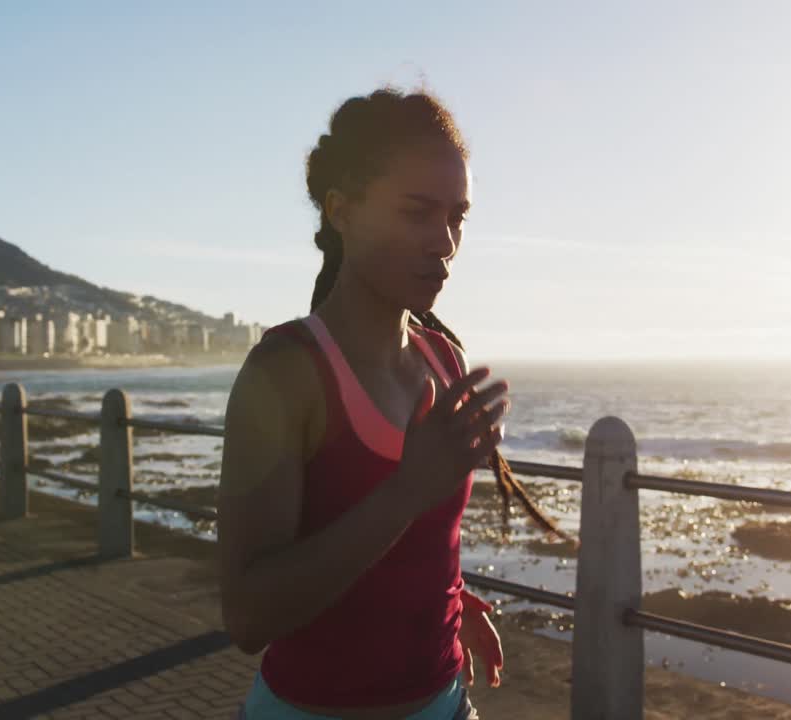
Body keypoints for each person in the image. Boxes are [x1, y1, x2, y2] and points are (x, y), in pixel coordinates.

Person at [219, 88, 566, 720]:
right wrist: (407, 491)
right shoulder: (287, 372)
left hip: (445, 702)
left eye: (458, 217)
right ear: (341, 209)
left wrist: (454, 604)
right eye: (417, 213)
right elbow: (248, 615)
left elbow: (427, 547)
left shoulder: (443, 359)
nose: (445, 242)